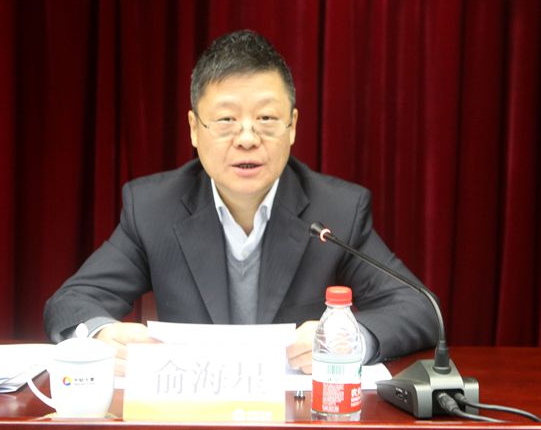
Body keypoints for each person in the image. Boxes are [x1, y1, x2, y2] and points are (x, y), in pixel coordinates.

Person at [44, 30, 438, 375]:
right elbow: (70, 302)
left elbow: (419, 308)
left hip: (295, 416)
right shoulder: (154, 208)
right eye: (226, 120)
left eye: (266, 119)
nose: (247, 138)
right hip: (191, 414)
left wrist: (351, 338)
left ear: (292, 127)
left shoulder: (336, 210)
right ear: (194, 129)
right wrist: (100, 335)